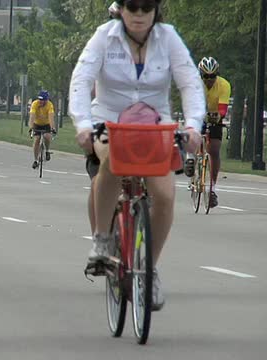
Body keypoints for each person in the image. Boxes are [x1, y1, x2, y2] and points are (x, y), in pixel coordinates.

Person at [69, 0, 204, 310]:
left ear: (156, 10)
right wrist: (83, 124)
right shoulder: (104, 36)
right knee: (112, 162)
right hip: (110, 121)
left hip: (155, 126)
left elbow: (190, 84)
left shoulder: (168, 38)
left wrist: (194, 125)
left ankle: (149, 270)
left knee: (165, 195)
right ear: (121, 10)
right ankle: (102, 239)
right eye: (133, 7)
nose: (139, 15)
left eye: (147, 8)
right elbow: (81, 80)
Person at [185, 57, 231, 208]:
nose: (209, 79)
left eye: (213, 76)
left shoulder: (224, 84)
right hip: (199, 113)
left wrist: (218, 116)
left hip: (214, 115)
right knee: (194, 135)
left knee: (215, 150)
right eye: (206, 76)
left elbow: (223, 109)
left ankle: (212, 188)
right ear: (200, 75)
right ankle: (190, 157)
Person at [29, 90, 56, 169]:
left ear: (46, 100)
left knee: (47, 136)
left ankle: (47, 151)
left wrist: (52, 128)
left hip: (46, 124)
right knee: (36, 139)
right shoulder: (35, 104)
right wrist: (31, 128)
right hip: (37, 124)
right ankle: (36, 160)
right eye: (40, 99)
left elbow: (51, 117)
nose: (40, 101)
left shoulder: (49, 105)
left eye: (43, 100)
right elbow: (32, 116)